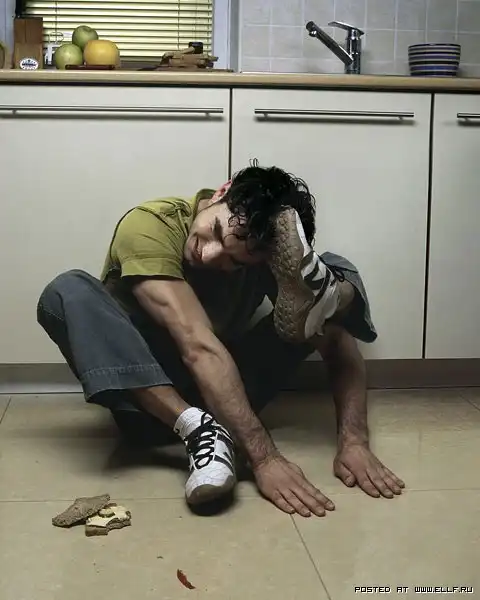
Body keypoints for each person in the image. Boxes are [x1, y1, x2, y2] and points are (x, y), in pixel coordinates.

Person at [36, 163, 404, 518]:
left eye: (234, 262)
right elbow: (197, 346)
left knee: (328, 281)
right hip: (150, 408)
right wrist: (265, 458)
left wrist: (355, 441)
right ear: (222, 192)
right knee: (67, 289)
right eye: (215, 231)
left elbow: (336, 343)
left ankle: (331, 291)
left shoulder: (267, 255)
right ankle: (198, 429)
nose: (210, 255)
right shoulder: (151, 225)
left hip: (228, 393)